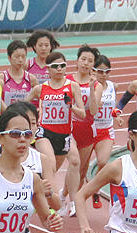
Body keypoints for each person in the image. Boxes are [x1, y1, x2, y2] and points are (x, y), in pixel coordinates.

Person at [27, 52, 85, 215]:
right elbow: (24, 104)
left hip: (64, 135)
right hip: (44, 132)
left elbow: (82, 114)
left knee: (55, 169)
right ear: (48, 69)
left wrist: (71, 106)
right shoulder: (41, 88)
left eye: (62, 66)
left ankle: (44, 192)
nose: (59, 69)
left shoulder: (73, 87)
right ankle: (55, 205)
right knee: (50, 164)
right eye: (55, 66)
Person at [66, 45, 99, 215]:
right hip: (69, 128)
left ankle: (65, 195)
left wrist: (92, 89)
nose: (86, 63)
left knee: (81, 169)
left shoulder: (96, 84)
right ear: (77, 60)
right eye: (83, 59)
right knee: (73, 162)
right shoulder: (67, 80)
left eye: (90, 61)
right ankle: (72, 201)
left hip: (87, 129)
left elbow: (93, 111)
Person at [89, 55, 121, 209]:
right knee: (81, 169)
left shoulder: (113, 86)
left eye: (107, 71)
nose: (104, 75)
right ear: (94, 71)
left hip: (106, 130)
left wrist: (116, 114)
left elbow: (113, 106)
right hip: (90, 130)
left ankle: (95, 189)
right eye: (100, 71)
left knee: (102, 162)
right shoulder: (89, 86)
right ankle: (67, 196)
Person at [0, 40, 38, 107]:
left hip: (25, 116)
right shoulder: (1, 78)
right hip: (7, 116)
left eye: (23, 57)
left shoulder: (32, 79)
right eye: (17, 57)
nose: (20, 60)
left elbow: (38, 102)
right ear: (9, 57)